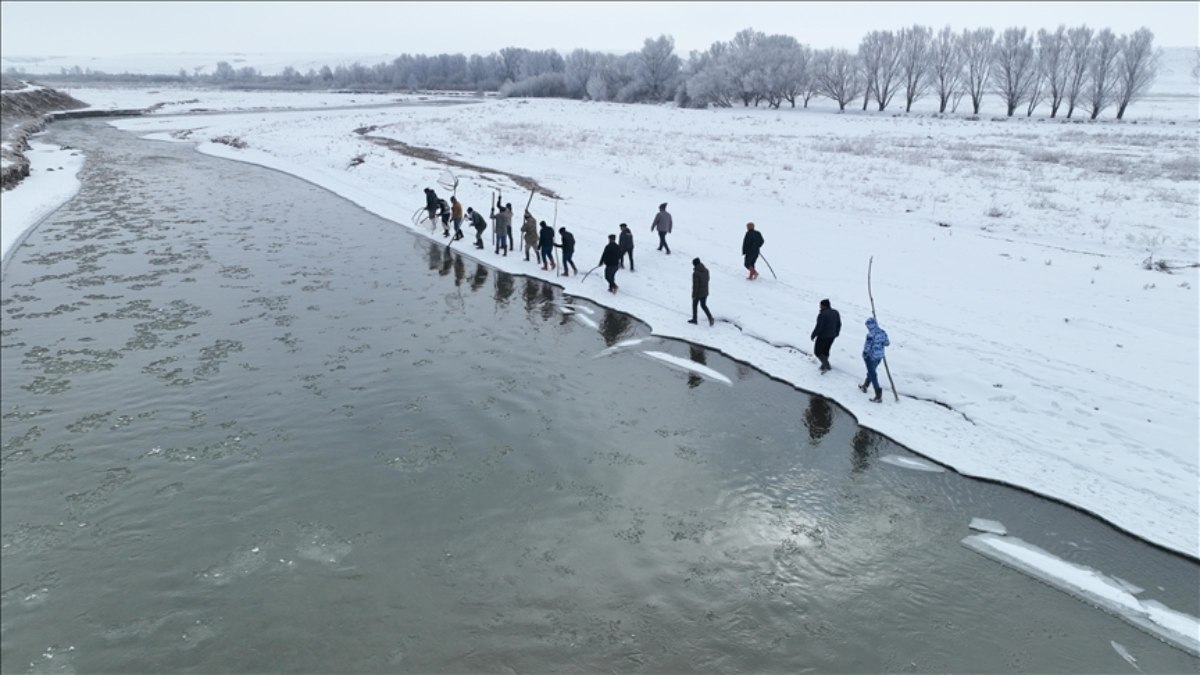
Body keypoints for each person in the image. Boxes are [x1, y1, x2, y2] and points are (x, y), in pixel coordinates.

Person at [858, 317, 890, 402]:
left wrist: (864, 354)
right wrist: (880, 344)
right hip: (879, 357)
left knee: (873, 374)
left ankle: (878, 394)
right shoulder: (882, 332)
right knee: (871, 371)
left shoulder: (870, 335)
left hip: (870, 357)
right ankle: (865, 386)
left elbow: (867, 347)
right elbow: (887, 343)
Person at [810, 299, 842, 373]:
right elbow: (839, 324)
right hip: (832, 335)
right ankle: (824, 365)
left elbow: (819, 327)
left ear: (824, 306)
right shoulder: (835, 312)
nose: (819, 306)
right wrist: (836, 333)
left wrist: (813, 335)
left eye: (821, 305)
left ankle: (826, 365)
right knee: (826, 350)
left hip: (823, 336)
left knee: (817, 352)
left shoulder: (822, 315)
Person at [689, 258, 714, 326]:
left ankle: (694, 319)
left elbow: (695, 286)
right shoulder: (706, 270)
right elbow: (708, 279)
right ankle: (710, 317)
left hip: (698, 292)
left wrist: (694, 295)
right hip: (705, 291)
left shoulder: (695, 273)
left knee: (694, 305)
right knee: (703, 305)